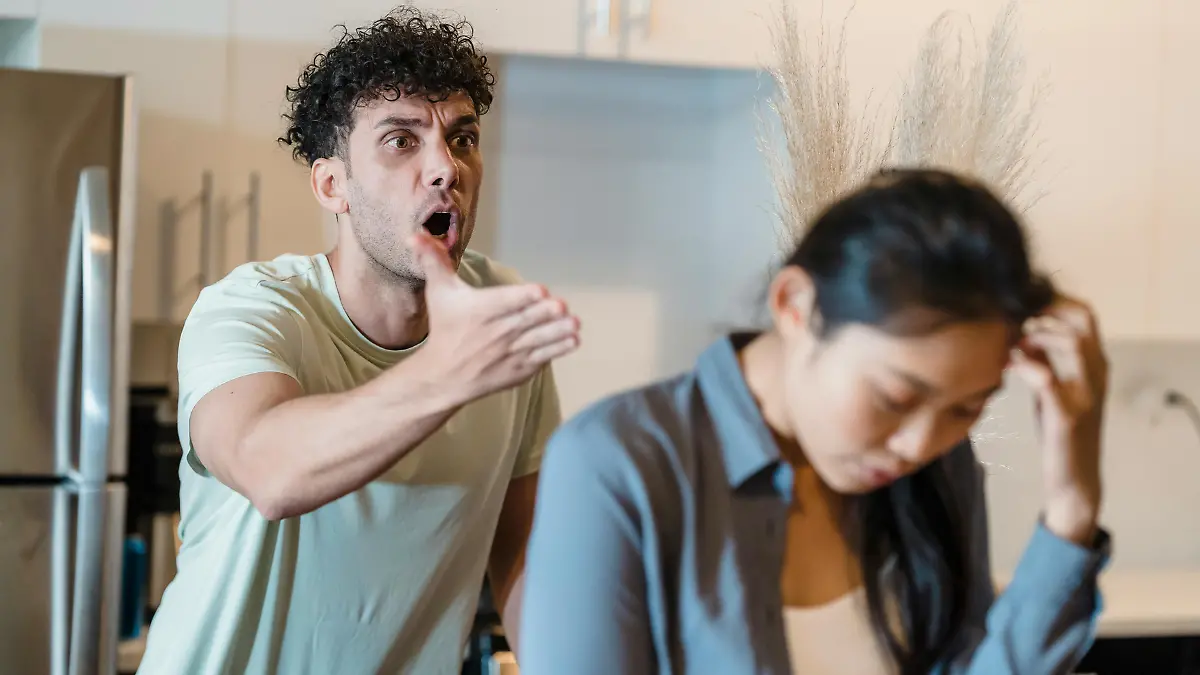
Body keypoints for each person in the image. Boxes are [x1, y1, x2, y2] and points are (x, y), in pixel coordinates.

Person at [519, 169, 1111, 675]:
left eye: (967, 408)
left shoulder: (939, 465)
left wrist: (1073, 507)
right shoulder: (617, 463)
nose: (919, 445)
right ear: (794, 306)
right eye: (894, 397)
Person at [137, 8, 579, 674]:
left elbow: (523, 556)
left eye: (462, 138)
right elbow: (269, 468)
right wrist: (449, 373)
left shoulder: (494, 314)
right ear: (332, 185)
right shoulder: (252, 308)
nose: (445, 168)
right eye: (401, 141)